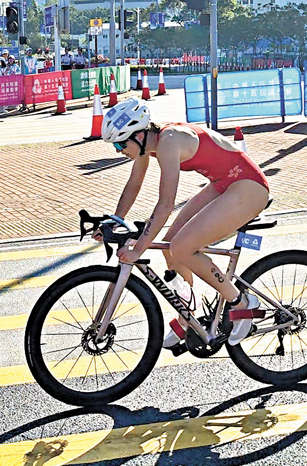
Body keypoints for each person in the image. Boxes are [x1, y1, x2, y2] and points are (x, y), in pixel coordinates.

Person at [97, 99, 270, 350]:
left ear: (139, 135)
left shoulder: (168, 142)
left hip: (248, 186)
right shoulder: (148, 144)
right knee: (170, 246)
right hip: (223, 184)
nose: (117, 150)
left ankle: (242, 304)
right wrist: (115, 221)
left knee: (182, 248)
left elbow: (165, 204)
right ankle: (188, 316)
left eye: (120, 144)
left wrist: (138, 249)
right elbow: (134, 183)